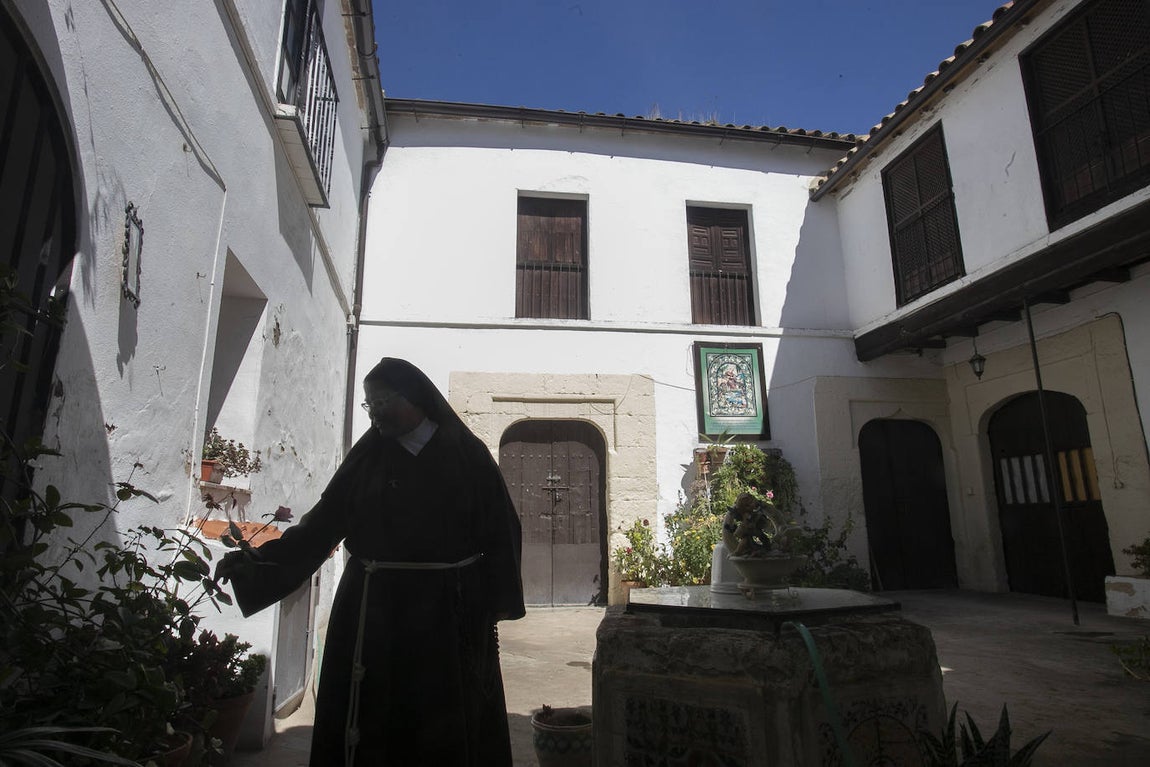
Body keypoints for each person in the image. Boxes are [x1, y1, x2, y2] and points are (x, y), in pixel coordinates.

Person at [214, 357, 525, 766]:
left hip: (447, 615)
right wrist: (258, 563)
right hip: (372, 610)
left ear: (413, 399)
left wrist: (489, 605)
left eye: (382, 402)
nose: (374, 412)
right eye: (368, 404)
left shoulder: (466, 455)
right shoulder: (369, 456)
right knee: (370, 718)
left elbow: (502, 531)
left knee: (441, 720)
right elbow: (322, 524)